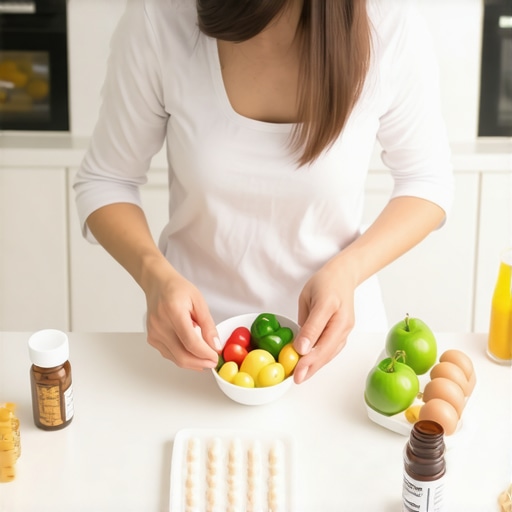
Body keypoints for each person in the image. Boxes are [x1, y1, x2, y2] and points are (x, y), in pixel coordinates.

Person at [74, 0, 453, 385]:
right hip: (195, 350)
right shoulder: (160, 18)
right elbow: (107, 180)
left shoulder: (388, 27)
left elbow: (427, 181)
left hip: (335, 353)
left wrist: (349, 270)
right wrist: (154, 276)